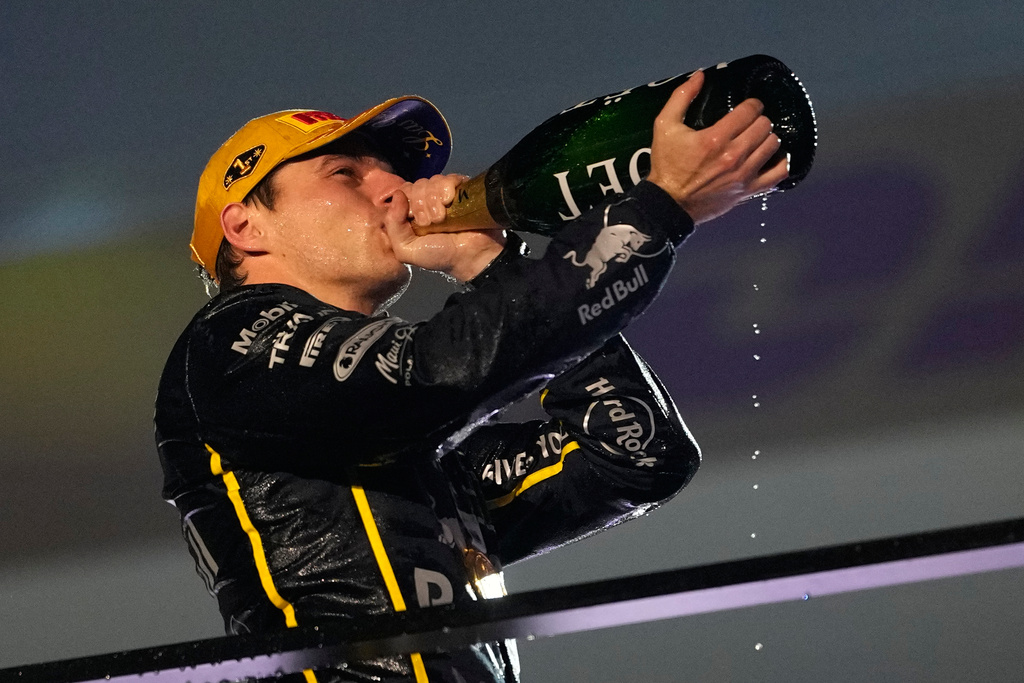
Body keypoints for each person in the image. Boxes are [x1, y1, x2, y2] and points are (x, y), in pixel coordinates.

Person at [155, 70, 787, 683]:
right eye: (345, 174)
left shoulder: (397, 453)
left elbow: (637, 456)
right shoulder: (230, 341)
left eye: (395, 172)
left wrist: (487, 259)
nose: (395, 190)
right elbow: (434, 372)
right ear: (245, 226)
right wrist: (659, 205)